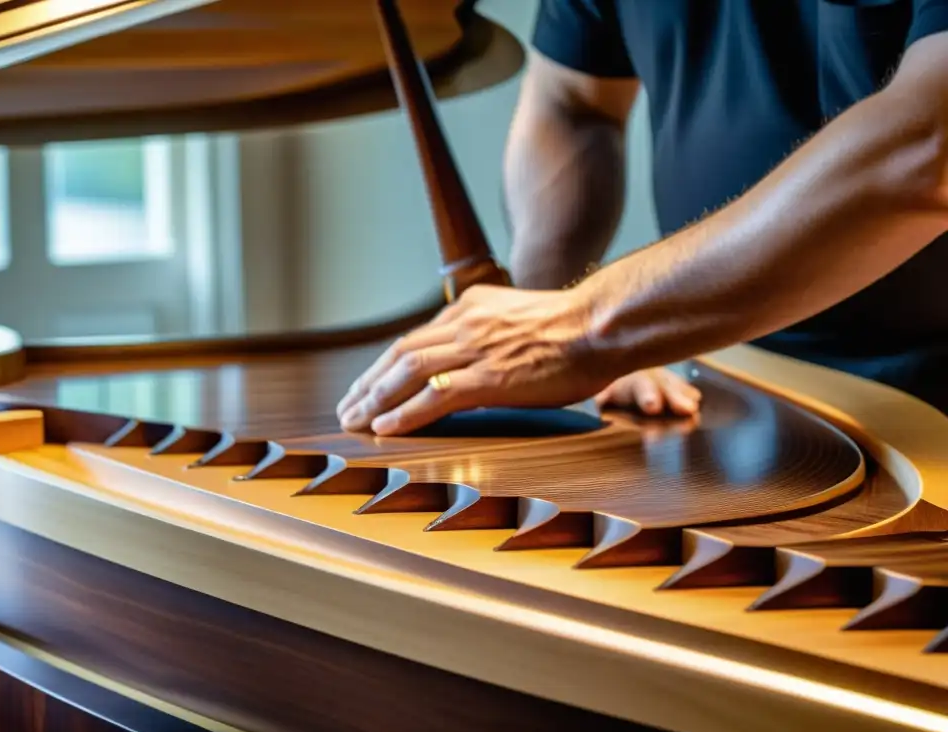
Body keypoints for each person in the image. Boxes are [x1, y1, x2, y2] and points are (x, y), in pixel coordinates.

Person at [337, 0, 948, 436]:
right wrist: (549, 322)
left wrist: (594, 326)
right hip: (742, 391)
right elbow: (575, 103)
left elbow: (931, 149)